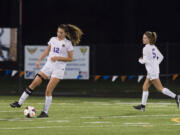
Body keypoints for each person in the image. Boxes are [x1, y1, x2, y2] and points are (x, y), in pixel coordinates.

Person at [10, 24, 83, 118]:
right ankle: (19, 103)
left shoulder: (68, 44)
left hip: (59, 68)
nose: (59, 34)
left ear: (66, 33)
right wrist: (39, 60)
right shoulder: (53, 39)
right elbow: (46, 51)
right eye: (58, 32)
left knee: (48, 90)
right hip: (48, 66)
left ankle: (45, 112)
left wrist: (58, 58)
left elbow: (70, 58)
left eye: (61, 32)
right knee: (34, 83)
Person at [133, 31, 180, 112]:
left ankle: (176, 97)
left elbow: (145, 61)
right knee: (145, 87)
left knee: (160, 89)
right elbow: (161, 57)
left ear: (149, 39)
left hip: (152, 72)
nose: (143, 39)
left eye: (145, 38)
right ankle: (142, 106)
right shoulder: (153, 47)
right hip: (153, 70)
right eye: (143, 37)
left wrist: (140, 60)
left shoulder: (145, 48)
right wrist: (156, 64)